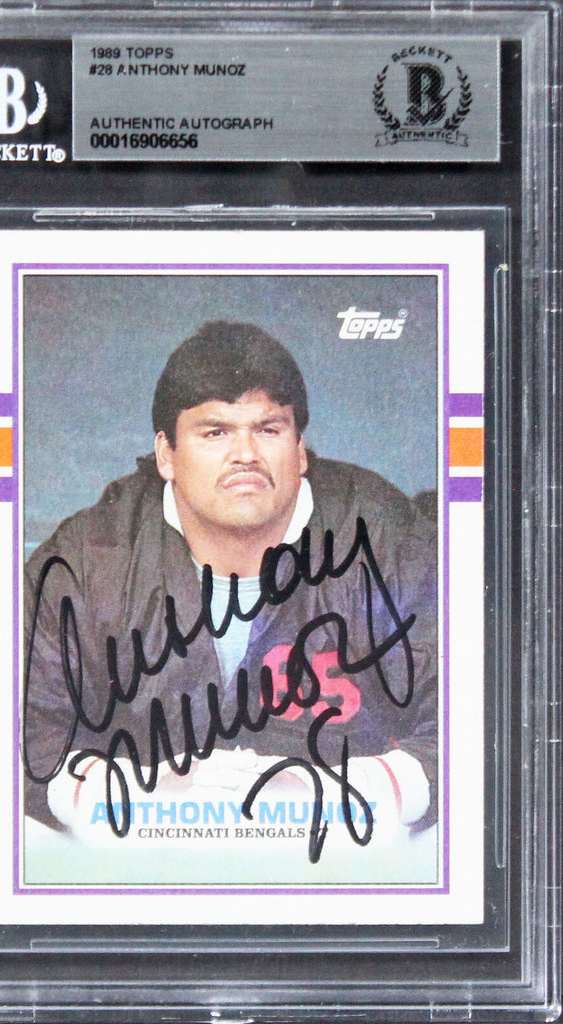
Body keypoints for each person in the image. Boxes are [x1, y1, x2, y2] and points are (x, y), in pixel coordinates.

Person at [23, 321, 437, 839]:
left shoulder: (389, 542)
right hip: (141, 853)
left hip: (339, 847)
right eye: (215, 432)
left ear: (300, 450)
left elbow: (468, 724)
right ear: (166, 454)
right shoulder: (89, 560)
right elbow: (15, 734)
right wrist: (137, 792)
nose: (245, 454)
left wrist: (328, 791)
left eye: (268, 429)